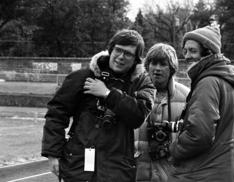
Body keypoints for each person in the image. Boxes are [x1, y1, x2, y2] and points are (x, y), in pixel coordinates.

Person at [41, 29, 156, 182]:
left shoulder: (142, 83)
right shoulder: (84, 77)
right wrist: (53, 153)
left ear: (136, 59)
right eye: (118, 50)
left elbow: (138, 116)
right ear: (111, 50)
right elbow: (56, 113)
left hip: (116, 170)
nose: (121, 57)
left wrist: (108, 94)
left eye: (128, 54)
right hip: (78, 166)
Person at [168, 25, 234, 182]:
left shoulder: (208, 82)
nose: (187, 56)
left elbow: (199, 135)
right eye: (185, 51)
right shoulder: (228, 81)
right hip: (222, 171)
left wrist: (173, 149)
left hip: (200, 173)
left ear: (209, 53)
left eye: (193, 51)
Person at [135, 43, 189, 182]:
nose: (157, 69)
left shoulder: (186, 96)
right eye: (153, 63)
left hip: (171, 174)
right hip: (136, 173)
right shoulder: (134, 92)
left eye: (163, 64)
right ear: (147, 66)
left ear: (172, 68)